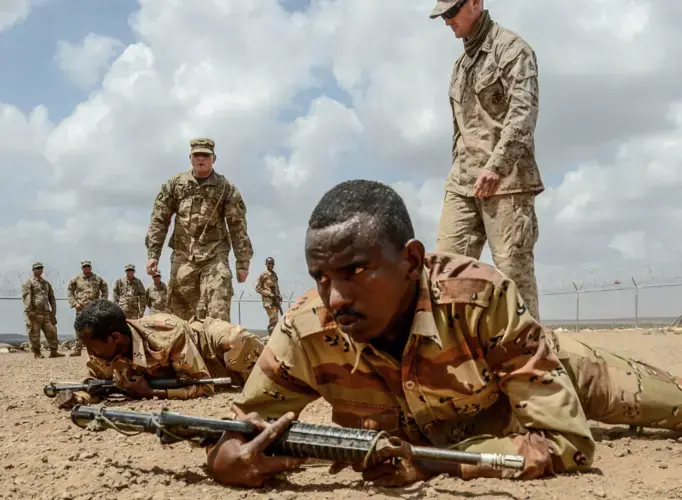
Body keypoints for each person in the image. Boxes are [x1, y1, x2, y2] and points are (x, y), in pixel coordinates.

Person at [205, 180, 682, 488]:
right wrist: (224, 458)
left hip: (555, 375)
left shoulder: (480, 300)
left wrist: (433, 462)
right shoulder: (307, 330)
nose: (335, 299)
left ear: (412, 261)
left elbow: (568, 444)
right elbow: (241, 427)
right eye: (321, 277)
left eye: (355, 271)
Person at [430, 0, 544, 320]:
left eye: (452, 12)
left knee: (513, 276)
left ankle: (531, 363)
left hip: (506, 183)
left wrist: (496, 166)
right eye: (443, 15)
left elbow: (523, 115)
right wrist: (459, 169)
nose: (447, 20)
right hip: (462, 183)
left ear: (476, 3)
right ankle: (455, 360)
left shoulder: (512, 51)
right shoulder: (459, 66)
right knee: (444, 273)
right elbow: (459, 130)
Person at [54, 299, 264, 409]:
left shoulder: (167, 336)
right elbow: (97, 383)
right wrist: (78, 397)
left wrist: (151, 393)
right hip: (188, 367)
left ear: (115, 337)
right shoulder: (104, 350)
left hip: (208, 349)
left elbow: (204, 386)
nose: (91, 354)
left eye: (94, 348)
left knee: (236, 343)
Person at [145, 138, 254, 322]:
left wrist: (242, 263)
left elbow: (237, 226)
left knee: (218, 308)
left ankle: (217, 350)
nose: (201, 159)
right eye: (197, 155)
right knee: (180, 318)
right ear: (190, 157)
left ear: (214, 158)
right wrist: (153, 254)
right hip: (183, 256)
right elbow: (159, 220)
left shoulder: (225, 188)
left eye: (206, 155)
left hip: (215, 255)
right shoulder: (175, 185)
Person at [21, 262, 63, 359]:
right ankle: (37, 353)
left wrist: (53, 312)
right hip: (34, 313)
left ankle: (54, 352)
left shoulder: (46, 283)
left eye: (41, 268)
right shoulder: (29, 282)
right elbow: (27, 297)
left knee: (52, 332)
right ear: (33, 270)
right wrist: (29, 310)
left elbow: (51, 298)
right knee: (34, 334)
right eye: (37, 268)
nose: (40, 269)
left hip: (46, 313)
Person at [67, 260, 108, 356]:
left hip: (94, 308)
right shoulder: (76, 279)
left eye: (88, 266)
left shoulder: (98, 279)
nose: (87, 268)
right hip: (81, 308)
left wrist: (101, 303)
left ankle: (94, 349)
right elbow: (70, 292)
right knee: (80, 328)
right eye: (84, 267)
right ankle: (77, 349)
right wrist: (74, 303)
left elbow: (105, 290)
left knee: (95, 328)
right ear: (82, 268)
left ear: (91, 267)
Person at [255, 256, 282, 335]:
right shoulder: (264, 275)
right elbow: (258, 288)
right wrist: (270, 294)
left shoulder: (274, 275)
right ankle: (271, 338)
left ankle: (273, 337)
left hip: (275, 302)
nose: (271, 265)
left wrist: (278, 296)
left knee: (275, 321)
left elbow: (276, 287)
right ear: (266, 264)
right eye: (269, 263)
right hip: (269, 302)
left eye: (272, 264)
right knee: (273, 321)